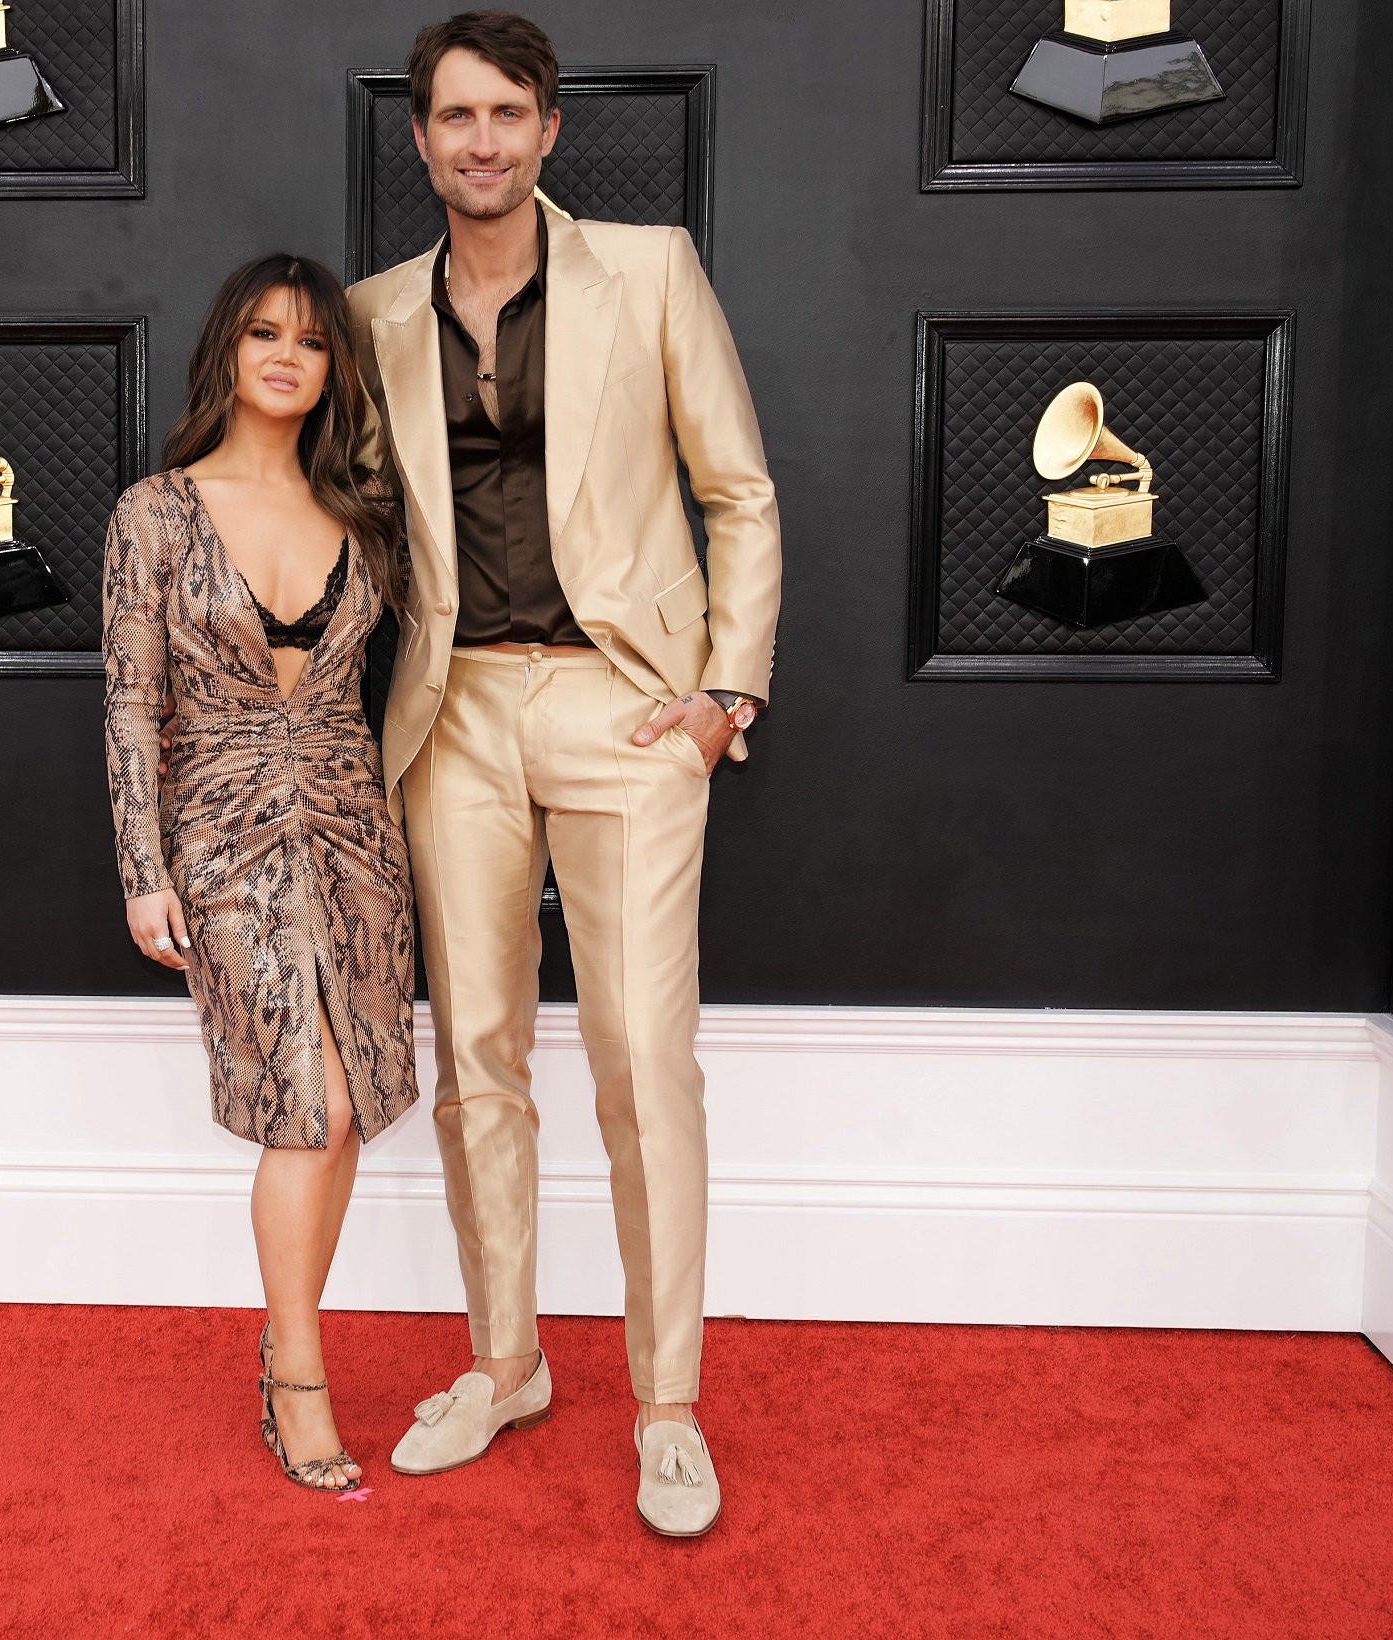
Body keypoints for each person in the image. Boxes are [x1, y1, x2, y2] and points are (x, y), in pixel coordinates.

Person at [348, 12, 781, 1536]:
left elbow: (738, 490)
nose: (481, 141)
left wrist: (726, 694)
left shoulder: (648, 270)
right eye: (454, 117)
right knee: (477, 1062)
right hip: (453, 714)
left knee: (641, 1064)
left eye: (507, 115)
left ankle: (666, 1403)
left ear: (549, 131)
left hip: (629, 711)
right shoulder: (369, 313)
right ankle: (506, 1360)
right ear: (420, 139)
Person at [101, 254, 417, 1494]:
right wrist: (143, 868)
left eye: (311, 340)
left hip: (352, 828)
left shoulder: (364, 508)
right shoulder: (155, 511)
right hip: (221, 834)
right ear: (227, 351)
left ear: (334, 368)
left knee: (346, 1111)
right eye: (262, 333)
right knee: (310, 1104)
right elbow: (130, 704)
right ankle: (299, 1374)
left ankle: (286, 1343)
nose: (286, 354)